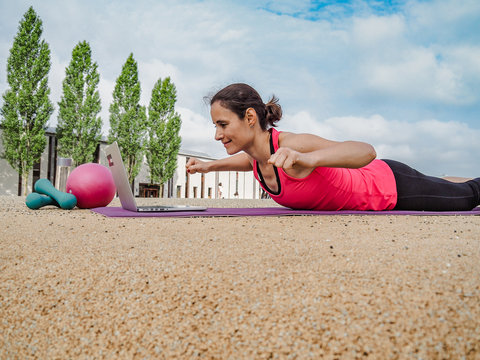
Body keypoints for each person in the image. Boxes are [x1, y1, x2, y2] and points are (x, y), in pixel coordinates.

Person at [186, 83, 480, 211]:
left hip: (390, 188)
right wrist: (209, 166)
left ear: (250, 117)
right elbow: (249, 163)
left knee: (467, 197)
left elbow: (366, 151)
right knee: (439, 181)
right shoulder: (259, 158)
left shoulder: (292, 146)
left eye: (222, 125)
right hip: (386, 180)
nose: (217, 134)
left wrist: (308, 159)